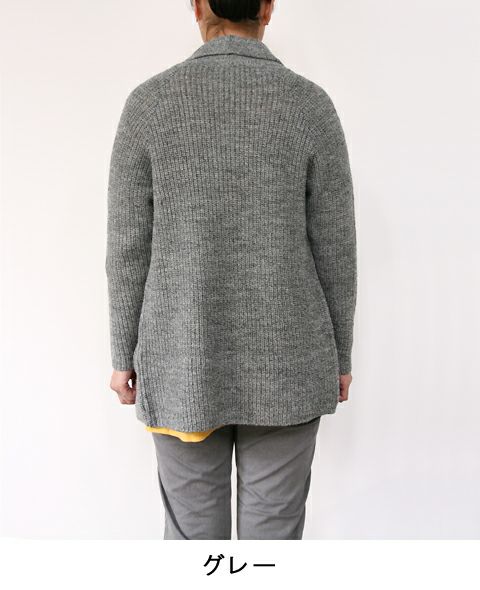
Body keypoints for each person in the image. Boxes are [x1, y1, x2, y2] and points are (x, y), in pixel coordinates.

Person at [105, 0, 357, 540]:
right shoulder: (310, 106)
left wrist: (123, 354)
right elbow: (336, 247)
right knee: (275, 536)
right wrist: (340, 353)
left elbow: (127, 247)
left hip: (181, 362)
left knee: (193, 539)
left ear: (197, 6)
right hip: (290, 364)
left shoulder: (149, 104)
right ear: (267, 8)